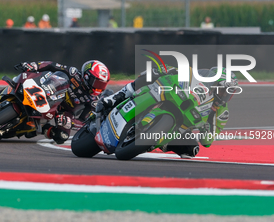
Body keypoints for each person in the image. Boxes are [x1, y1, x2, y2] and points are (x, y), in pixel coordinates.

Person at [97, 66, 239, 158]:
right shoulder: (198, 80)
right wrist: (166, 71)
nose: (225, 96)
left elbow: (207, 142)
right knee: (151, 76)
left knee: (191, 149)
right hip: (176, 98)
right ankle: (115, 97)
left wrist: (206, 128)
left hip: (183, 125)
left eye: (229, 93)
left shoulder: (221, 113)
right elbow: (179, 70)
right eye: (223, 90)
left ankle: (159, 141)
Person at [0, 60, 110, 144]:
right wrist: (34, 66)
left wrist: (71, 122)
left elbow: (85, 121)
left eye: (102, 85)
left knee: (62, 136)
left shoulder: (94, 100)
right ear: (87, 76)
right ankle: (5, 92)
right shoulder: (73, 73)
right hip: (49, 89)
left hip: (63, 111)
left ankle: (41, 128)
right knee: (29, 75)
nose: (99, 88)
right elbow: (52, 65)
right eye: (97, 83)